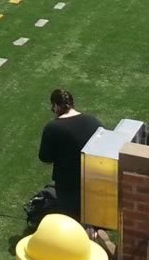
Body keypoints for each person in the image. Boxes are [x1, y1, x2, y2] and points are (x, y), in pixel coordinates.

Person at [37, 88, 103, 229]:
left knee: (72, 224)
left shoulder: (53, 127)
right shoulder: (93, 120)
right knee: (92, 222)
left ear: (56, 106)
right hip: (95, 181)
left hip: (68, 185)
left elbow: (45, 158)